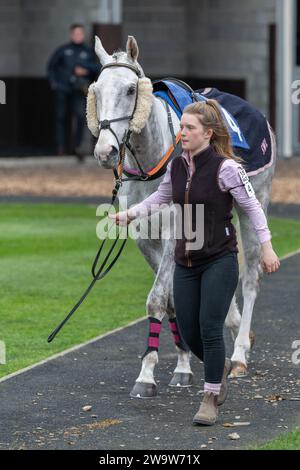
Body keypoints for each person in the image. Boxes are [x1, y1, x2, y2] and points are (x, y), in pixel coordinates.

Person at [108, 99, 280, 426]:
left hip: (219, 259)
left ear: (207, 134)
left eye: (189, 128)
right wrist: (128, 215)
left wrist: (267, 248)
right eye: (182, 127)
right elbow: (159, 199)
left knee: (210, 326)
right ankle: (219, 369)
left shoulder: (227, 168)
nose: (182, 133)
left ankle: (211, 396)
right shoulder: (177, 167)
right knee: (188, 327)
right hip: (185, 263)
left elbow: (255, 209)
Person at [47, 24, 100, 161]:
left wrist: (85, 69)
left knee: (81, 117)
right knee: (61, 117)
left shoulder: (88, 52)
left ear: (83, 35)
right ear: (71, 35)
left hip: (79, 90)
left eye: (80, 34)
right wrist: (54, 84)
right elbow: (51, 66)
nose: (78, 36)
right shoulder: (63, 50)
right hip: (63, 89)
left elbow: (97, 67)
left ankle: (77, 147)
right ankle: (60, 147)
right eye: (75, 34)